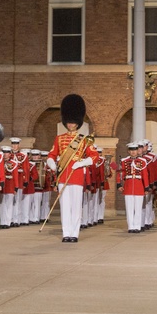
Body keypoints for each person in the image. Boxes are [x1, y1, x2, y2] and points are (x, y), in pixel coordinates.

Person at [46, 94, 98, 243]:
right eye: (68, 122)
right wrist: (52, 164)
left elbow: (94, 156)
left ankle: (74, 233)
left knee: (76, 206)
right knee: (64, 206)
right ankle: (66, 232)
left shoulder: (83, 139)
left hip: (76, 175)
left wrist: (81, 163)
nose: (70, 124)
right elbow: (52, 154)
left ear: (78, 123)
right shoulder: (59, 138)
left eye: (73, 122)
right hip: (62, 175)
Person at [117, 143, 149, 233]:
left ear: (137, 151)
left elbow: (145, 175)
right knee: (129, 208)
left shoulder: (142, 161)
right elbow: (120, 173)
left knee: (138, 208)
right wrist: (119, 184)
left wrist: (146, 187)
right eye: (131, 150)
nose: (133, 152)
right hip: (128, 185)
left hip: (139, 186)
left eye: (134, 150)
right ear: (128, 151)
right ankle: (130, 226)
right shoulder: (124, 161)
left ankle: (137, 226)